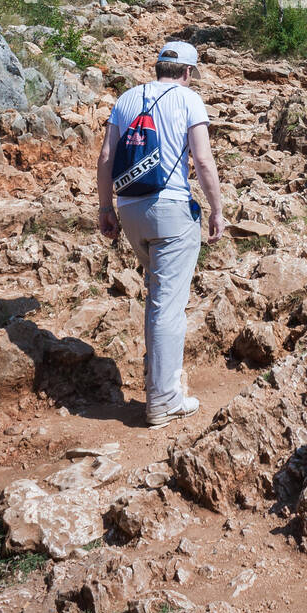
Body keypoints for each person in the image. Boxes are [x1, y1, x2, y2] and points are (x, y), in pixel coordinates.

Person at [96, 41, 224, 428]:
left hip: (131, 208)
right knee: (168, 305)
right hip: (170, 211)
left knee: (158, 297)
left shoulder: (127, 100)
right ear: (187, 72)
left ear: (158, 67)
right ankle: (163, 400)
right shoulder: (189, 100)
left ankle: (161, 383)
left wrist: (105, 208)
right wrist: (217, 209)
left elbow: (106, 158)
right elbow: (201, 160)